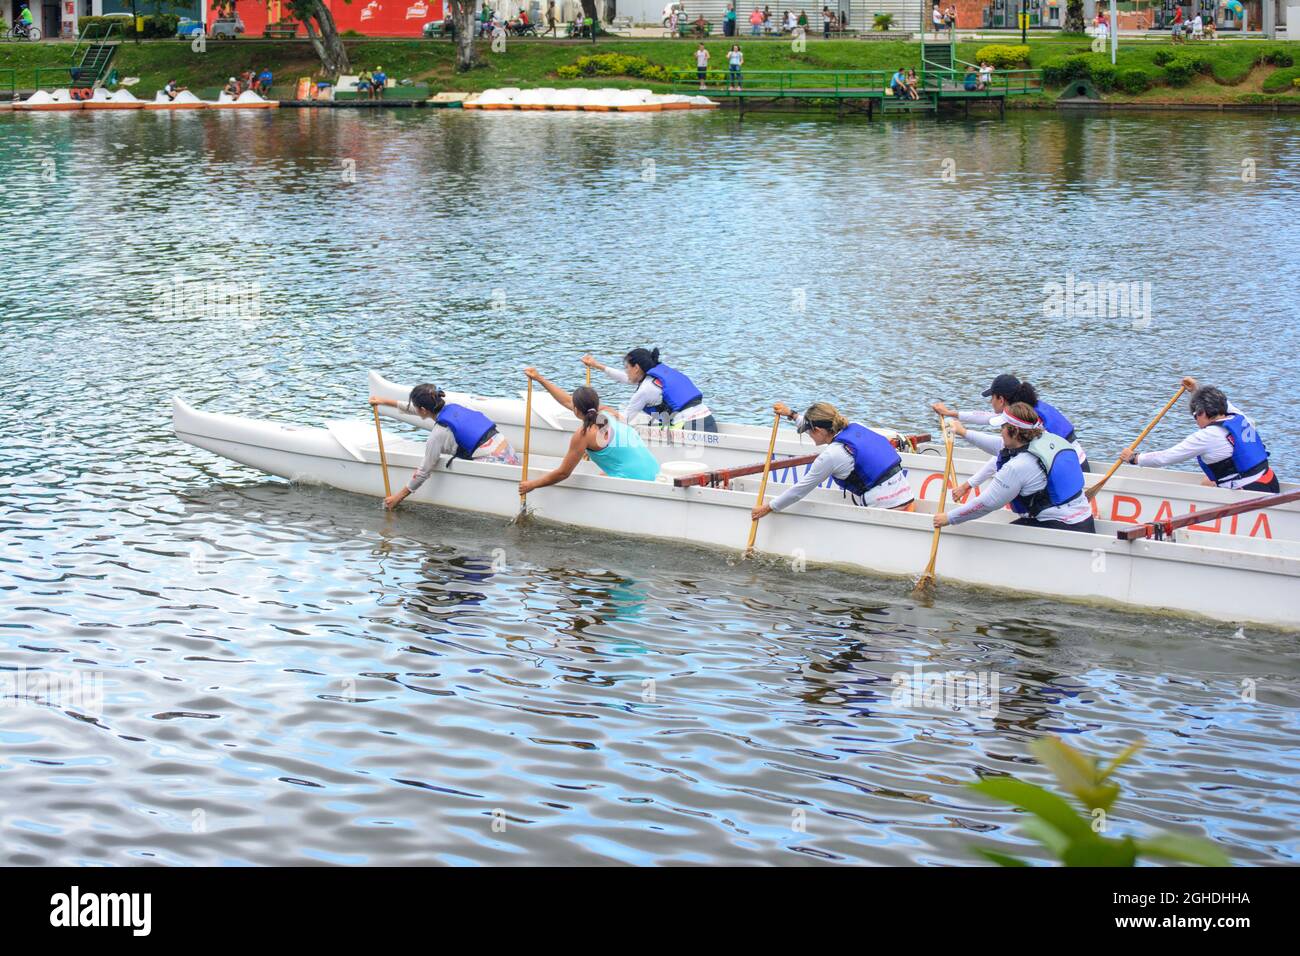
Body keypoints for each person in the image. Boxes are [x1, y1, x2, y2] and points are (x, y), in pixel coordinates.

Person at [934, 404, 1095, 534]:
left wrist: (948, 518)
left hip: (1062, 529)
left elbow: (986, 504)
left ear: (1016, 431)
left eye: (1003, 427)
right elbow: (999, 445)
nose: (1000, 431)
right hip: (1086, 521)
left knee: (996, 540)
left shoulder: (1017, 467)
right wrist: (964, 432)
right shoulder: (1047, 439)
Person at [750, 402, 916, 524]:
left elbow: (799, 491)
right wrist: (791, 414)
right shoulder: (855, 427)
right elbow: (818, 424)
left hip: (888, 510)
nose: (807, 434)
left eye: (808, 431)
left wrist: (768, 508)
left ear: (818, 431)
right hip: (908, 499)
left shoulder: (831, 455)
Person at [369, 385, 519, 511]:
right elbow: (417, 409)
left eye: (416, 407)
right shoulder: (455, 405)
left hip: (497, 465)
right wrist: (382, 401)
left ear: (423, 409)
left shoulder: (438, 434)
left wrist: (397, 497)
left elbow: (423, 471)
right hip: (510, 454)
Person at [1120, 378, 1279, 493]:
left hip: (1250, 493)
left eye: (1195, 415)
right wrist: (1197, 389)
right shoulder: (1240, 418)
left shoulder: (1207, 436)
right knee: (1206, 482)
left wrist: (1135, 458)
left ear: (1202, 412)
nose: (1195, 419)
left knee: (1206, 483)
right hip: (1270, 482)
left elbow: (1166, 457)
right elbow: (1224, 403)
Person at [519, 369, 661, 494]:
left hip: (636, 482)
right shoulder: (608, 413)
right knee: (602, 474)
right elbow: (567, 401)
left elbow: (563, 473)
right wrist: (540, 379)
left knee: (597, 479)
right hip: (654, 471)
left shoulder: (583, 435)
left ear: (575, 410)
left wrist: (532, 485)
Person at [933, 373, 1090, 472]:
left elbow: (1001, 450)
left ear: (1001, 399)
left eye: (992, 398)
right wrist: (950, 413)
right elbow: (988, 417)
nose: (990, 403)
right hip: (1076, 463)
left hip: (1072, 469)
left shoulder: (1027, 420)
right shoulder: (1026, 408)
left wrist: (963, 433)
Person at [581, 348, 718, 432]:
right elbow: (626, 378)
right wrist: (596, 365)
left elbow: (624, 420)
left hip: (692, 427)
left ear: (636, 368)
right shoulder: (658, 375)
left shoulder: (644, 390)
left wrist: (602, 410)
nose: (626, 371)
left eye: (627, 367)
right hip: (708, 420)